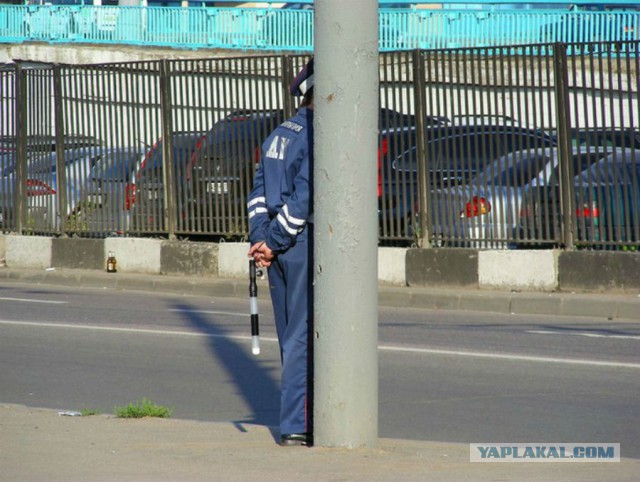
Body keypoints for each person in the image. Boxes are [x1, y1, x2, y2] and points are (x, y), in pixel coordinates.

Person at [247, 58, 314, 447]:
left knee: (290, 335)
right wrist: (272, 241)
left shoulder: (279, 133)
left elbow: (258, 191)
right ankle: (297, 425)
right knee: (302, 336)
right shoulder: (313, 135)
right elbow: (305, 196)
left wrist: (261, 238)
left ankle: (296, 418)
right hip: (297, 244)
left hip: (275, 249)